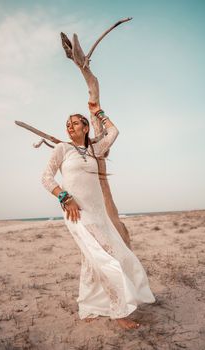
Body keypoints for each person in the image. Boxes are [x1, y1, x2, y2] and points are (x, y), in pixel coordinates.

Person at [42, 103, 156, 329]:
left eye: (75, 123)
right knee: (107, 260)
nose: (70, 127)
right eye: (67, 124)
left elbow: (114, 132)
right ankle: (119, 312)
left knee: (93, 260)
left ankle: (88, 306)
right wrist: (64, 196)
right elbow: (46, 178)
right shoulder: (62, 149)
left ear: (86, 127)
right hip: (77, 214)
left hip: (99, 215)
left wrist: (99, 113)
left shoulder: (96, 150)